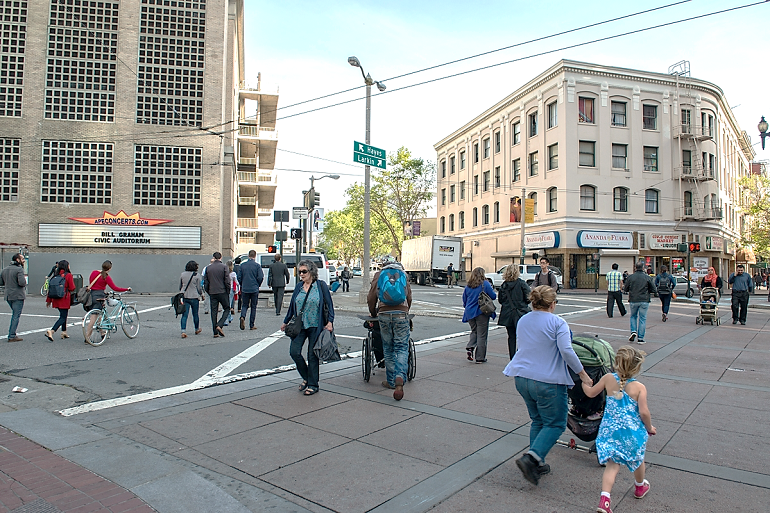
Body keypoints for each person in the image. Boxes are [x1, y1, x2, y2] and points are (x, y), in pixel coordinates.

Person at [503, 285, 592, 485]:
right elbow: (567, 351)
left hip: (522, 377)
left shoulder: (524, 320)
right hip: (547, 381)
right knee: (555, 423)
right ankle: (533, 458)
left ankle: (538, 461)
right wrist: (583, 374)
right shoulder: (557, 322)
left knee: (538, 420)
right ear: (552, 304)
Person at [582, 346, 656, 513]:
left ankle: (605, 500)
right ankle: (639, 487)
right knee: (637, 460)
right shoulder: (639, 387)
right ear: (636, 368)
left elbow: (591, 393)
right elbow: (644, 412)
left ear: (616, 363)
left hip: (610, 431)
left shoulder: (608, 378)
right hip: (632, 433)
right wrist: (649, 427)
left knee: (612, 465)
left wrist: (585, 384)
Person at [281, 260, 334, 396]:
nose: (301, 274)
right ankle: (306, 377)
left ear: (311, 272)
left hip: (315, 325)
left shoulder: (320, 286)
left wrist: (330, 322)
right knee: (294, 352)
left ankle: (313, 384)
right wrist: (286, 321)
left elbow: (329, 304)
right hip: (300, 325)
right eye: (300, 272)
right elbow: (293, 305)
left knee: (312, 355)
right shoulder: (299, 286)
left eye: (304, 271)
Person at [367, 262, 413, 400]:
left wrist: (373, 313)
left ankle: (391, 380)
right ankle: (400, 376)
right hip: (401, 313)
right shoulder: (404, 275)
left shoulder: (379, 275)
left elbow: (371, 298)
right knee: (401, 347)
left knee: (387, 347)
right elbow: (409, 297)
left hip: (384, 313)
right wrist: (406, 310)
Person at [85, 260, 131, 343]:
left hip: (91, 296)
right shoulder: (106, 277)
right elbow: (115, 288)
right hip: (99, 297)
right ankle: (87, 337)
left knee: (100, 315)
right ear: (109, 268)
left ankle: (102, 333)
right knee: (93, 318)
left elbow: (93, 284)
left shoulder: (93, 273)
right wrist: (126, 289)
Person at [462, 267, 497, 363]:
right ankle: (480, 357)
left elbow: (464, 300)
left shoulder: (468, 286)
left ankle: (470, 347)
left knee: (474, 331)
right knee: (482, 335)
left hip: (469, 312)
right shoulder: (485, 284)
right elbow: (493, 296)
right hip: (481, 312)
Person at [497, 264, 530, 359]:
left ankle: (512, 357)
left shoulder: (504, 285)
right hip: (520, 313)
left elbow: (501, 300)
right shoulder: (521, 283)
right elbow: (528, 298)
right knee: (522, 337)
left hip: (508, 314)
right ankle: (521, 356)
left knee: (511, 336)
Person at [623, 262, 656, 345]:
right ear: (643, 267)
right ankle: (640, 338)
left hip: (633, 299)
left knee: (633, 316)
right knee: (642, 318)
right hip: (644, 299)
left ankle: (633, 331)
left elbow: (625, 289)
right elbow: (653, 289)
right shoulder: (647, 277)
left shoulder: (630, 277)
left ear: (635, 267)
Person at [44, 260, 76, 341]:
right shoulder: (68, 275)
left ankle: (64, 332)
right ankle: (52, 331)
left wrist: (49, 300)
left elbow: (51, 289)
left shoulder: (55, 275)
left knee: (64, 314)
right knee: (63, 316)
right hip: (64, 298)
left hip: (55, 298)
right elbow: (72, 287)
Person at [1, 253, 27, 342]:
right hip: (18, 295)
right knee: (16, 315)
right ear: (17, 260)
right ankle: (12, 335)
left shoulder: (5, 269)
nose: (23, 260)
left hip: (8, 295)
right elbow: (22, 283)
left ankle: (12, 334)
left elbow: (1, 282)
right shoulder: (19, 269)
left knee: (14, 314)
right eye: (22, 258)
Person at [204, 252, 231, 338]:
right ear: (221, 257)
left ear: (213, 257)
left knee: (214, 311)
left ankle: (215, 332)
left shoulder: (208, 268)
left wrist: (208, 291)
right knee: (226, 308)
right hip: (222, 291)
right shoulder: (224, 267)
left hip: (212, 292)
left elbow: (206, 282)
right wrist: (228, 291)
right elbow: (227, 281)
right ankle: (220, 324)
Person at [237, 250, 264, 329]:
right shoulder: (257, 266)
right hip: (254, 288)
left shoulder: (242, 265)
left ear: (248, 256)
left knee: (244, 305)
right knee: (253, 306)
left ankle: (242, 316)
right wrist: (257, 284)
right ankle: (251, 324)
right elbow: (260, 277)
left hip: (245, 288)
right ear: (255, 256)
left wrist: (242, 284)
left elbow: (239, 277)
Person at [179, 260, 204, 338]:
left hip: (185, 296)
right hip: (194, 296)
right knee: (195, 314)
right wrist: (202, 294)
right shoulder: (197, 275)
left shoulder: (182, 274)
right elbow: (199, 287)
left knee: (184, 314)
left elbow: (180, 286)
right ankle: (196, 329)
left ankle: (183, 331)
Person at [225, 260, 239, 326]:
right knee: (229, 304)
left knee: (226, 303)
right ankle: (225, 320)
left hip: (224, 289)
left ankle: (229, 317)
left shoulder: (224, 272)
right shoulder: (233, 274)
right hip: (230, 289)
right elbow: (236, 281)